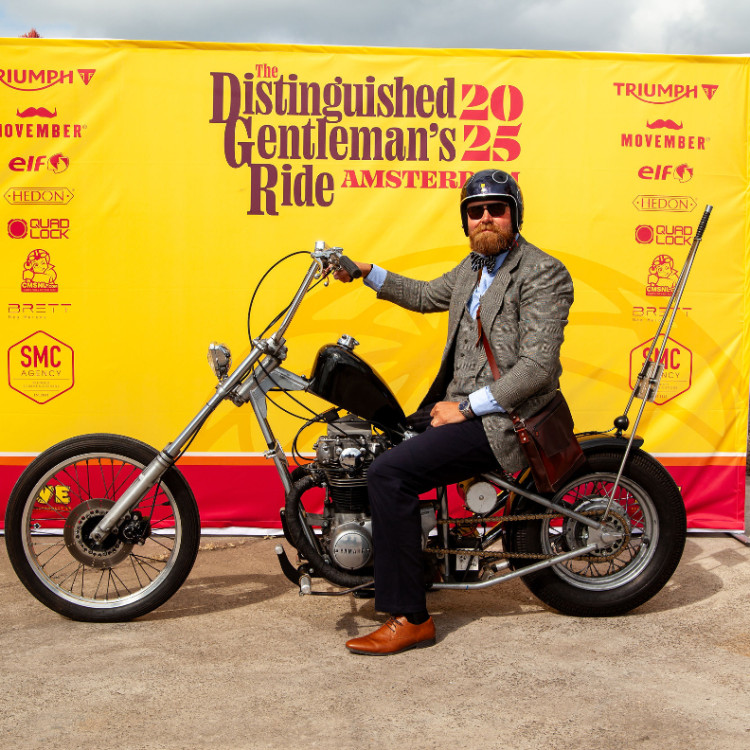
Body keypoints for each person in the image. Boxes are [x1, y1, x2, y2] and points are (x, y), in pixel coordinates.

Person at [333, 169, 574, 655]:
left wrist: (465, 409)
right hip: (462, 407)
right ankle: (407, 563)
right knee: (376, 442)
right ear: (464, 220)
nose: (485, 217)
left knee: (389, 474)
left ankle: (410, 617)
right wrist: (365, 271)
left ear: (515, 215)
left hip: (503, 419)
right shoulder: (472, 268)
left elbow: (537, 368)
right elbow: (425, 296)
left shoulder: (542, 272)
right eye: (474, 211)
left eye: (496, 209)